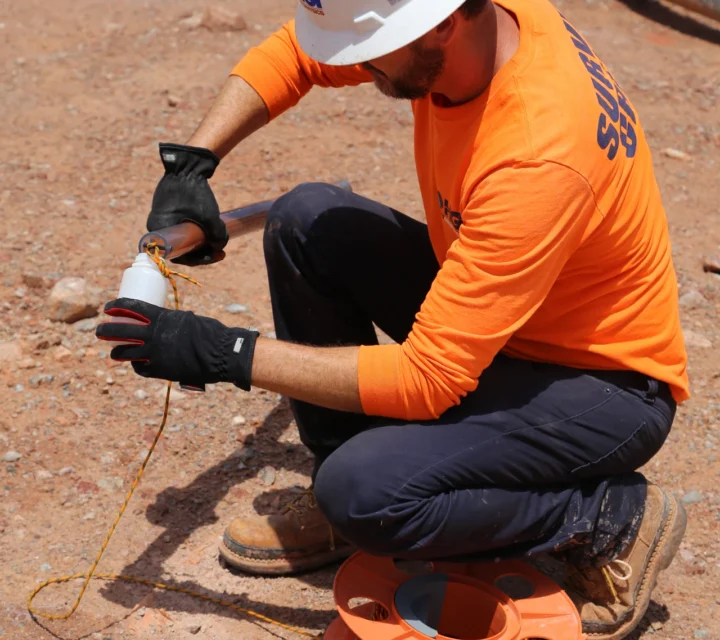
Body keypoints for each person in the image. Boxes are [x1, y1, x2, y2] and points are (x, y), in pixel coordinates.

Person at [96, 0, 690, 637]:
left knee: (365, 493)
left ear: (441, 24)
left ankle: (610, 516)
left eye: (368, 46)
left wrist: (227, 354)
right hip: (511, 328)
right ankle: (349, 496)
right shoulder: (486, 30)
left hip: (600, 387)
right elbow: (301, 52)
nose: (352, 63)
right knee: (308, 219)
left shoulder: (537, 151)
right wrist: (194, 162)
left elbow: (427, 379)